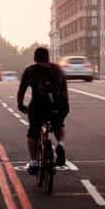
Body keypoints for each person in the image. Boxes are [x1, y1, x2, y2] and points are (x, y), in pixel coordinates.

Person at [17, 46, 69, 175]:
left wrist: (20, 105)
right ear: (48, 57)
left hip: (38, 107)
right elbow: (64, 90)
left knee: (33, 132)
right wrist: (65, 106)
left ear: (35, 58)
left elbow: (21, 90)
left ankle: (34, 162)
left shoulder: (30, 71)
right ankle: (61, 144)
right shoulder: (58, 70)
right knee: (58, 125)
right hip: (57, 106)